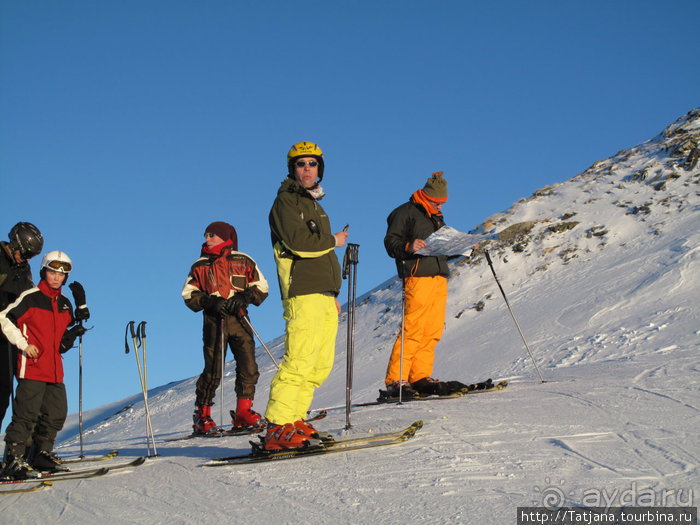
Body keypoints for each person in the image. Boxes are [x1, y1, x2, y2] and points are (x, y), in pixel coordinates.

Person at [263, 141, 348, 451]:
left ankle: (294, 418)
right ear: (292, 170)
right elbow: (300, 244)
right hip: (302, 290)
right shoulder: (285, 202)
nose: (307, 169)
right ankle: (278, 425)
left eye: (312, 164)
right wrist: (334, 240)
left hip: (323, 294)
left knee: (320, 363)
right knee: (299, 359)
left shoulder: (314, 205)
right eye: (301, 164)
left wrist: (332, 293)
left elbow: (319, 252)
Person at [0, 251, 86, 479]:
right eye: (52, 272)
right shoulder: (31, 297)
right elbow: (4, 318)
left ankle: (41, 454)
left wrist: (74, 331)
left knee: (57, 413)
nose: (56, 278)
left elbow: (59, 344)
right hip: (33, 368)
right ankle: (13, 458)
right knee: (26, 414)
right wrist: (23, 343)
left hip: (55, 370)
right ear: (43, 271)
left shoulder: (64, 304)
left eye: (61, 274)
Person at [182, 221, 269, 434]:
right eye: (206, 235)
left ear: (225, 237)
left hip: (239, 318)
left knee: (248, 366)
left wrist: (246, 296)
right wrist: (209, 302)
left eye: (211, 235)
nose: (207, 238)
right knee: (213, 369)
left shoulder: (244, 260)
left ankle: (243, 412)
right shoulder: (200, 265)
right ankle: (202, 415)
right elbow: (188, 294)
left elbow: (262, 286)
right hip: (214, 319)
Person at [382, 172, 457, 398]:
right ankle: (396, 380)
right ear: (426, 195)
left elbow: (439, 249)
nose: (439, 206)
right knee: (413, 329)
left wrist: (463, 248)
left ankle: (420, 377)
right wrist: (409, 245)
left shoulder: (436, 217)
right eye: (436, 201)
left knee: (432, 330)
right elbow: (390, 243)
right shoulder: (404, 212)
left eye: (442, 203)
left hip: (438, 277)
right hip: (417, 277)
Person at [1, 222, 44, 427]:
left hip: (9, 336)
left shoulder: (23, 268)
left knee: (5, 393)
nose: (27, 259)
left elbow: (29, 297)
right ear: (15, 243)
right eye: (26, 253)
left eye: (31, 256)